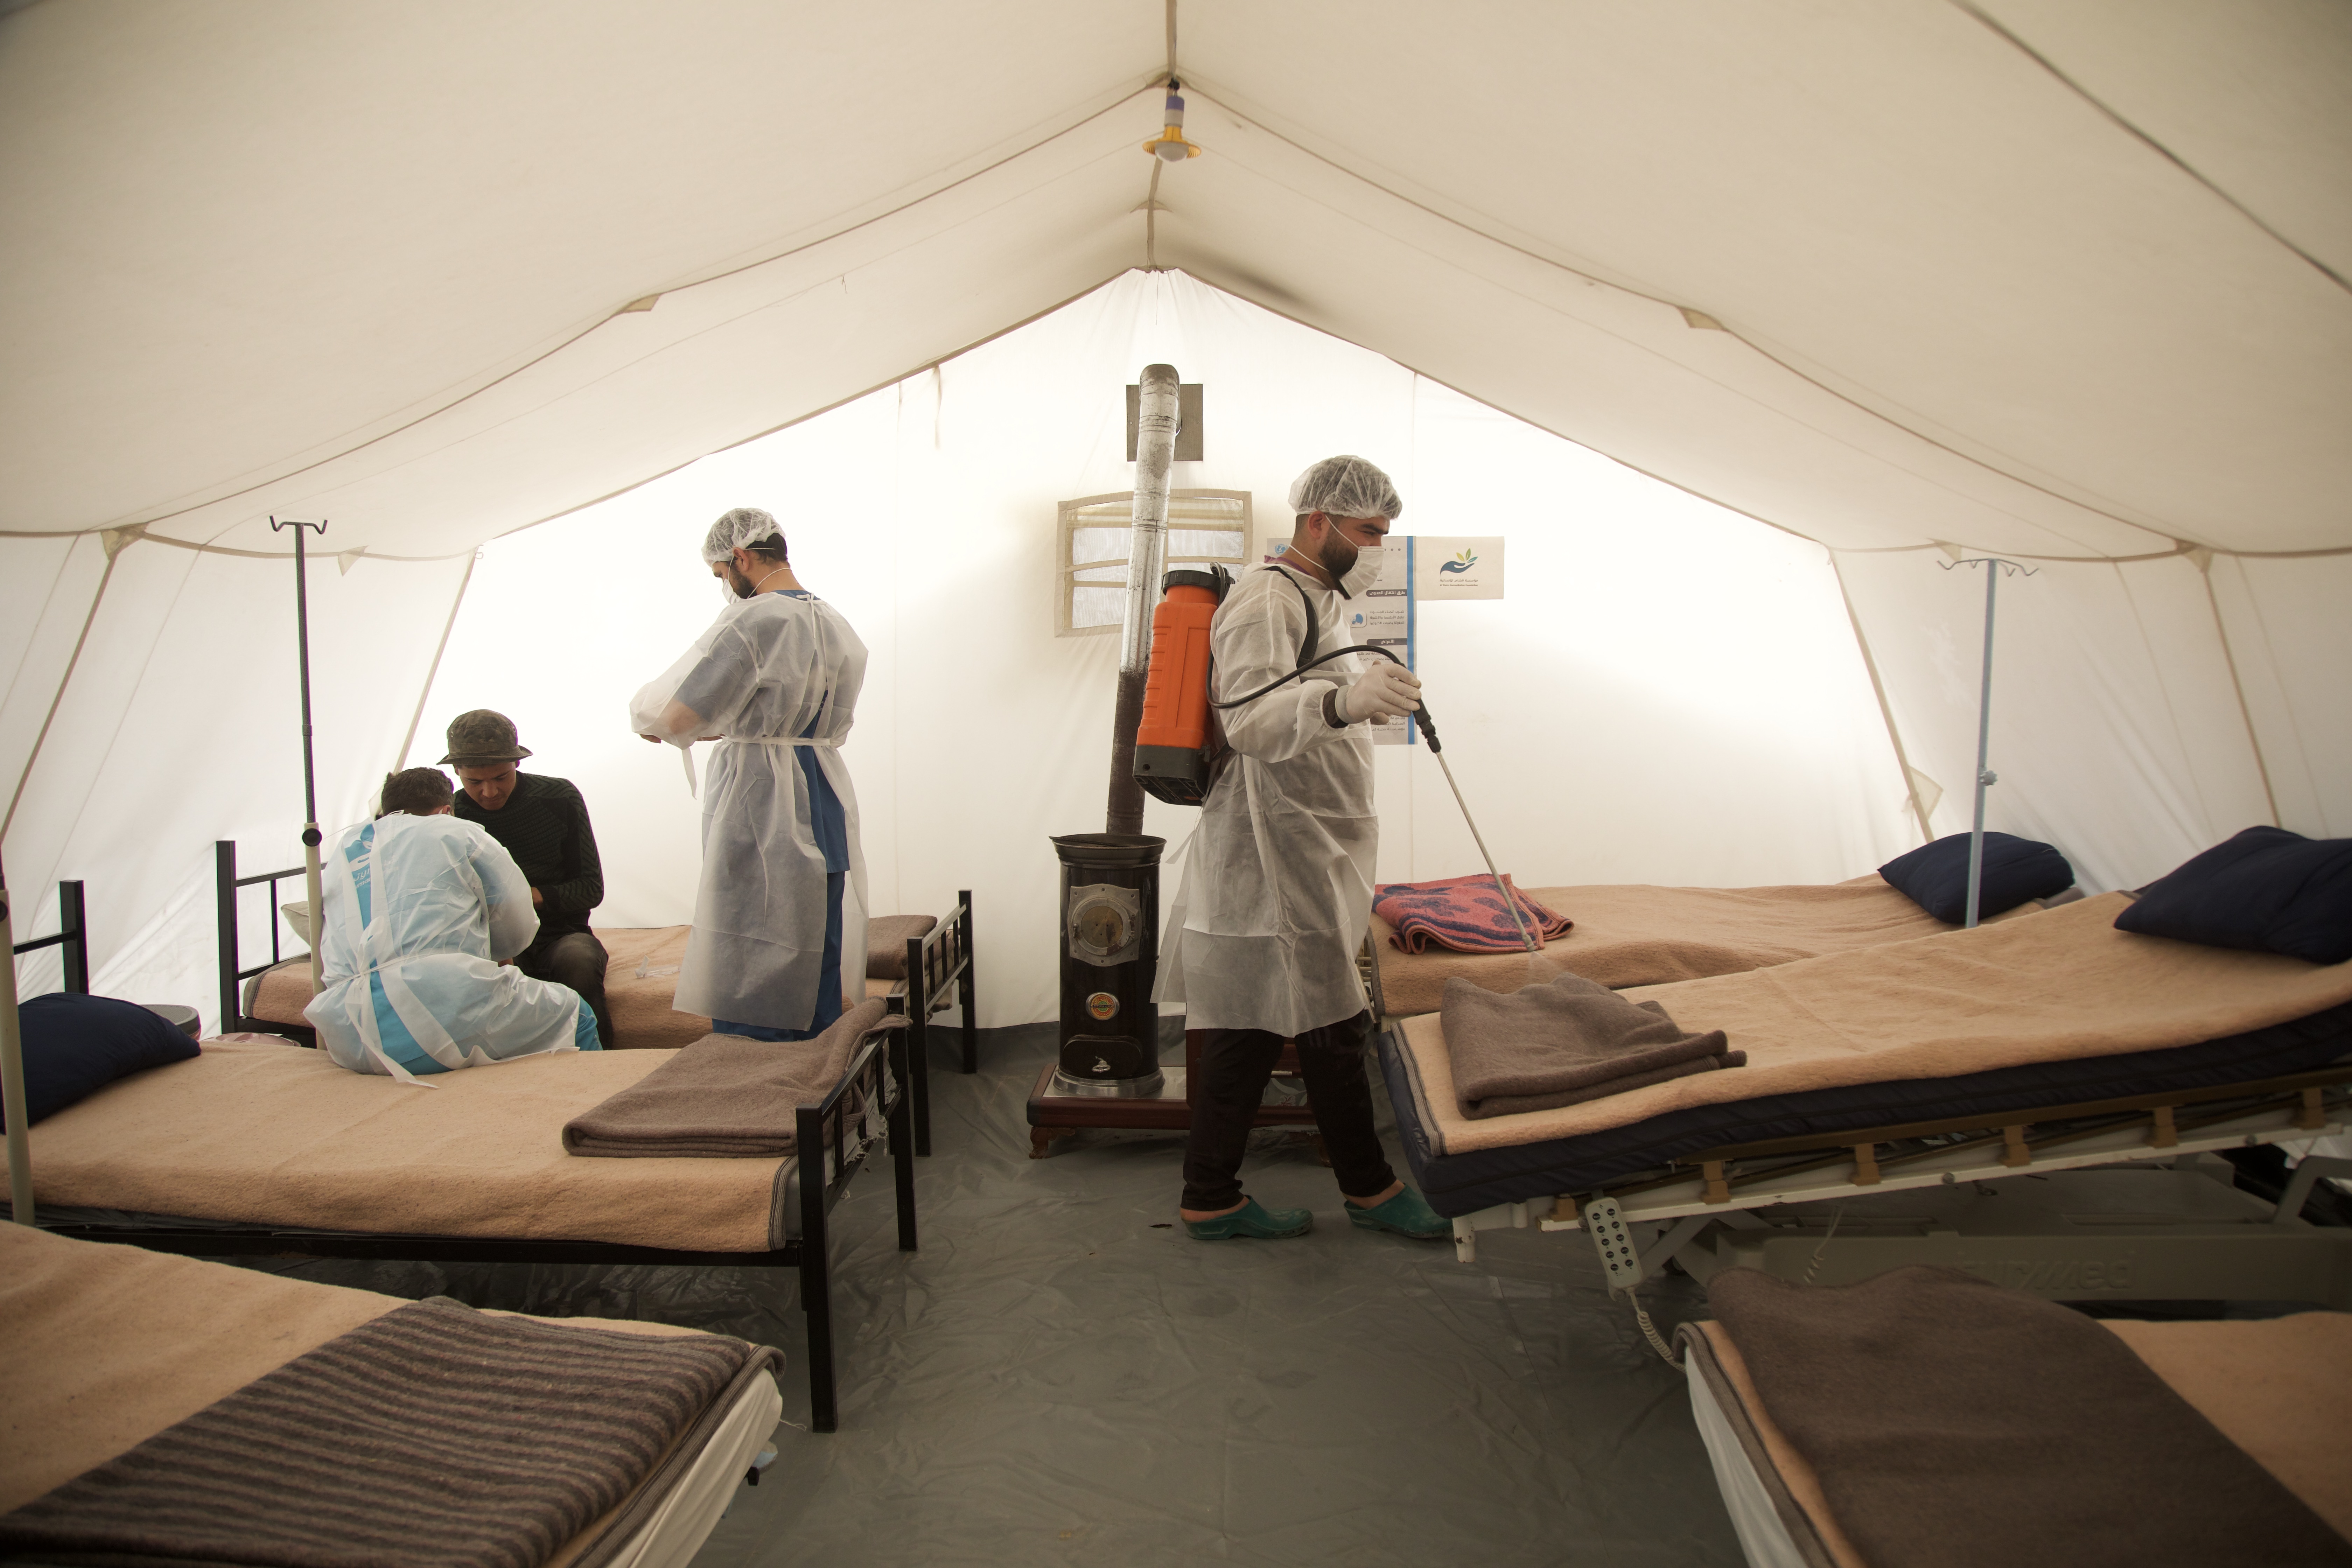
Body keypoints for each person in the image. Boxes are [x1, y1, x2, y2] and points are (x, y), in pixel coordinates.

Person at [1156, 456, 1450, 1242]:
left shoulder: (1318, 597)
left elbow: (1303, 702)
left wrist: (1351, 696)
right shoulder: (1267, 596)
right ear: (1317, 519)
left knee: (1248, 1020)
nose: (1378, 546)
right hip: (1275, 844)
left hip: (1301, 835)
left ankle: (1211, 1194)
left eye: (1384, 533)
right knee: (1329, 1016)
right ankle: (1372, 1188)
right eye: (1368, 531)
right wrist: (1347, 699)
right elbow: (1250, 720)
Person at [631, 507, 869, 1041]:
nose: (726, 588)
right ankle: (821, 1060)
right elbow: (796, 713)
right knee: (815, 937)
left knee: (750, 933)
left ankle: (758, 1067)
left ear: (739, 557)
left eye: (721, 575)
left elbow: (675, 717)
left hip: (762, 796)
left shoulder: (756, 619)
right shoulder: (836, 622)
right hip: (821, 787)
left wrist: (661, 725)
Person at [305, 766, 600, 1079]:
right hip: (435, 1017)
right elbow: (518, 925)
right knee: (574, 1013)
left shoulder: (345, 848)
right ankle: (594, 1103)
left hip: (351, 1036)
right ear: (446, 810)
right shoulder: (456, 831)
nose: (489, 791)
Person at [440, 709, 616, 1049]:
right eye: (475, 782)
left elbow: (591, 889)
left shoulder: (559, 797)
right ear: (456, 772)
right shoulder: (451, 815)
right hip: (491, 943)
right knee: (488, 979)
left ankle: (600, 1064)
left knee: (578, 960)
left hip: (560, 935)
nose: (489, 792)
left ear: (517, 764)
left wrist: (521, 896)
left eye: (501, 777)